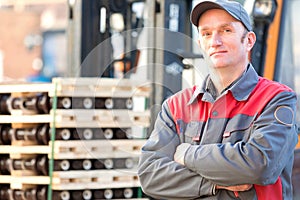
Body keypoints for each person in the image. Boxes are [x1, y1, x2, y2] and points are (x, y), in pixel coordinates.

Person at [137, 0, 298, 199]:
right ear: (200, 44)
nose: (215, 41)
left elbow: (259, 165)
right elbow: (150, 176)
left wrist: (187, 154)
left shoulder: (276, 99)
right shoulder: (175, 106)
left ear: (249, 40)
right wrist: (214, 183)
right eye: (206, 33)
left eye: (226, 30)